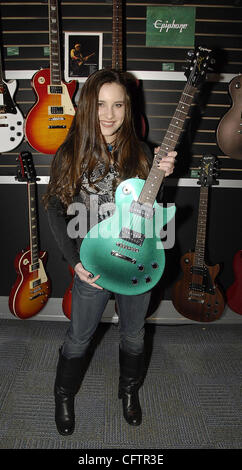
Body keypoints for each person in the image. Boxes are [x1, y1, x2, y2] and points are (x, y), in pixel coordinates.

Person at [43, 68, 176, 436]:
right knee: (79, 337)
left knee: (134, 336)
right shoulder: (70, 152)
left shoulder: (142, 152)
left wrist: (161, 178)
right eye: (101, 104)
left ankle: (129, 393)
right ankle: (64, 395)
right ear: (88, 105)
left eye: (118, 104)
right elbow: (54, 209)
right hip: (94, 264)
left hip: (136, 258)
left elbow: (150, 212)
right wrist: (75, 263)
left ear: (128, 108)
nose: (109, 113)